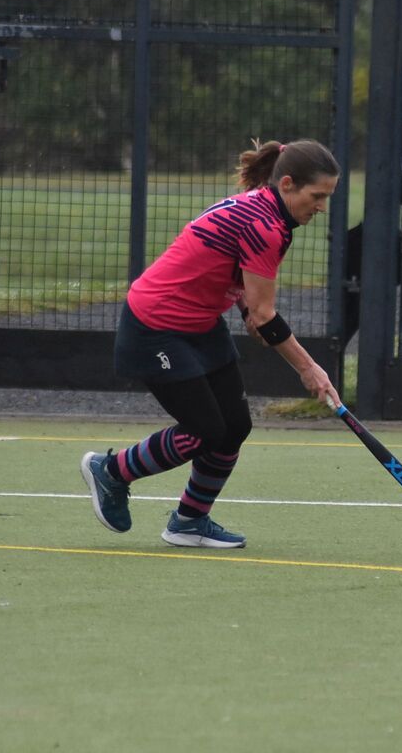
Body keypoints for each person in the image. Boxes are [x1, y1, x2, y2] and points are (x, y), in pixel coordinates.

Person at [80, 139, 342, 549]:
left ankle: (189, 521)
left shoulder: (263, 207)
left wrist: (249, 311)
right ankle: (111, 471)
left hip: (200, 323)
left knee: (234, 427)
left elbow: (237, 282)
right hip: (156, 325)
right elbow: (265, 315)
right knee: (204, 430)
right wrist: (309, 367)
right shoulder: (265, 225)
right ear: (288, 183)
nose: (321, 207)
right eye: (317, 196)